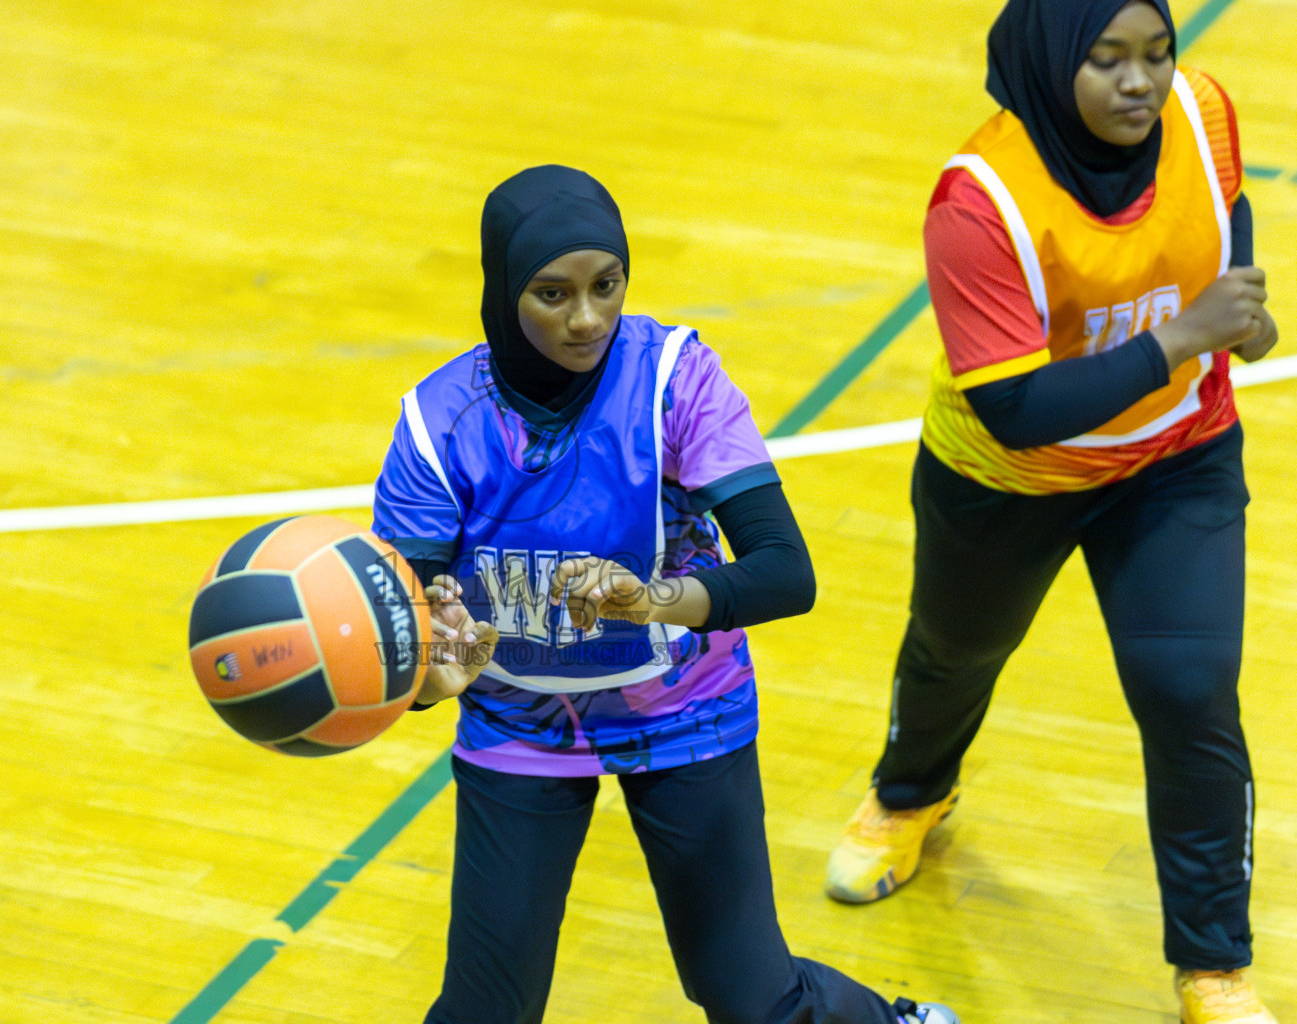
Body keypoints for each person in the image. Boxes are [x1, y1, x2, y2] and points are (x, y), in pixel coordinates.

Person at [373, 165, 959, 1024]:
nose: (586, 319)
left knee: (749, 998)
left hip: (683, 712)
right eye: (552, 293)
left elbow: (785, 572)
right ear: (504, 291)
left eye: (607, 286)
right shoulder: (438, 425)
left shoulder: (675, 380)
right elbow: (415, 646)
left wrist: (653, 601)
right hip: (520, 728)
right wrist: (433, 675)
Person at [822, 1, 1279, 1021]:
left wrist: (1242, 307)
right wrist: (1181, 335)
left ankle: (1214, 964)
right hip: (1009, 479)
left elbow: (1227, 204)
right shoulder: (978, 200)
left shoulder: (1202, 113)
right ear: (1047, 60)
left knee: (1190, 688)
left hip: (1178, 458)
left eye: (1157, 52)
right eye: (1107, 59)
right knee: (954, 651)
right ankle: (912, 793)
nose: (1141, 81)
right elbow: (1021, 410)